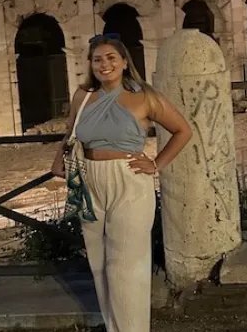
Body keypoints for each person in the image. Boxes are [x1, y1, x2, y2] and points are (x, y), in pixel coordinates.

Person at [51, 33, 192, 332]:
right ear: (91, 64)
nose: (104, 65)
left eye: (111, 58)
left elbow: (183, 131)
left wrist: (156, 163)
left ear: (125, 62)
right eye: (98, 59)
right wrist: (57, 158)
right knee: (100, 266)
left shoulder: (145, 96)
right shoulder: (83, 95)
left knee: (126, 269)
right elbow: (70, 132)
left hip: (129, 180)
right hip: (89, 182)